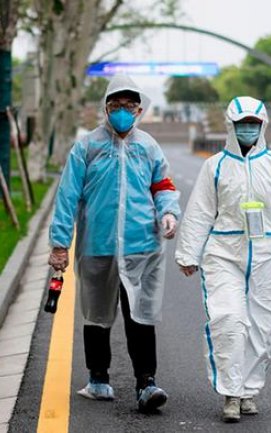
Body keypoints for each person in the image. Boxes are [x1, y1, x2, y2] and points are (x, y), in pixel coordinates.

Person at [175, 96, 271, 423]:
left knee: (261, 326)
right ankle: (231, 393)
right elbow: (199, 213)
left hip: (269, 255)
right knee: (229, 320)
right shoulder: (215, 166)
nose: (248, 129)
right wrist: (188, 253)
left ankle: (249, 389)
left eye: (253, 124)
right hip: (223, 254)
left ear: (262, 126)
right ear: (230, 127)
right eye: (242, 124)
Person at [48, 75, 181, 412]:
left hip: (141, 246)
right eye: (116, 105)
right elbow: (67, 197)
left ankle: (146, 383)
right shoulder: (87, 147)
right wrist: (60, 244)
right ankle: (97, 379)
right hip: (98, 245)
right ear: (105, 108)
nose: (122, 111)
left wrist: (168, 212)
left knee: (140, 316)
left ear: (138, 110)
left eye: (128, 106)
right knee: (96, 315)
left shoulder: (148, 146)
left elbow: (163, 184)